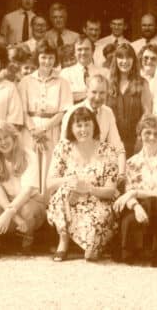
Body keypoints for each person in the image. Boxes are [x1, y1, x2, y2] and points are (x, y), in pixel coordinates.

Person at [47, 107, 119, 262]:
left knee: (91, 253)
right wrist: (71, 181)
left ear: (94, 126)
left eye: (87, 124)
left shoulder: (108, 150)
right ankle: (63, 241)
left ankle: (92, 245)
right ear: (71, 129)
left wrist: (88, 189)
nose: (83, 129)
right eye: (78, 125)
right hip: (70, 200)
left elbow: (110, 191)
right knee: (63, 190)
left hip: (98, 200)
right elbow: (50, 183)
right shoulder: (63, 148)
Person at [113, 115, 157, 266]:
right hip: (140, 208)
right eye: (147, 133)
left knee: (153, 203)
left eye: (156, 134)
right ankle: (139, 251)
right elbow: (128, 195)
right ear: (140, 135)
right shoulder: (131, 163)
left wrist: (135, 193)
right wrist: (136, 206)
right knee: (133, 214)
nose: (152, 137)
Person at [0, 121, 46, 260]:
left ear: (14, 137)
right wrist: (13, 215)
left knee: (27, 208)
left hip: (29, 202)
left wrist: (10, 212)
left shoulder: (29, 155)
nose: (3, 142)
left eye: (6, 137)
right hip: (6, 205)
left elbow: (27, 191)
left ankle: (26, 241)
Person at [19, 40, 72, 194]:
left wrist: (44, 128)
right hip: (30, 130)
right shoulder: (26, 81)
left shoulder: (62, 82)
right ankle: (30, 199)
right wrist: (34, 129)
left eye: (50, 58)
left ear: (55, 59)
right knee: (31, 164)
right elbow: (22, 110)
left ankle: (47, 201)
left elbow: (63, 111)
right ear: (38, 58)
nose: (47, 61)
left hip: (51, 128)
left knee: (49, 166)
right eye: (43, 57)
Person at [107, 43, 152, 159]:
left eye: (128, 57)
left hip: (135, 141)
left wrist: (140, 138)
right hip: (111, 140)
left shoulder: (142, 83)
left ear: (134, 60)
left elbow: (147, 113)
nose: (125, 61)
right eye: (121, 57)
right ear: (115, 60)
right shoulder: (108, 84)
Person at [60, 35, 108, 103]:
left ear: (93, 51)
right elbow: (65, 97)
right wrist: (91, 93)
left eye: (86, 49)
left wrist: (77, 94)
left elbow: (106, 97)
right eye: (79, 49)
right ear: (75, 53)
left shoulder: (105, 73)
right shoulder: (65, 73)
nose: (83, 52)